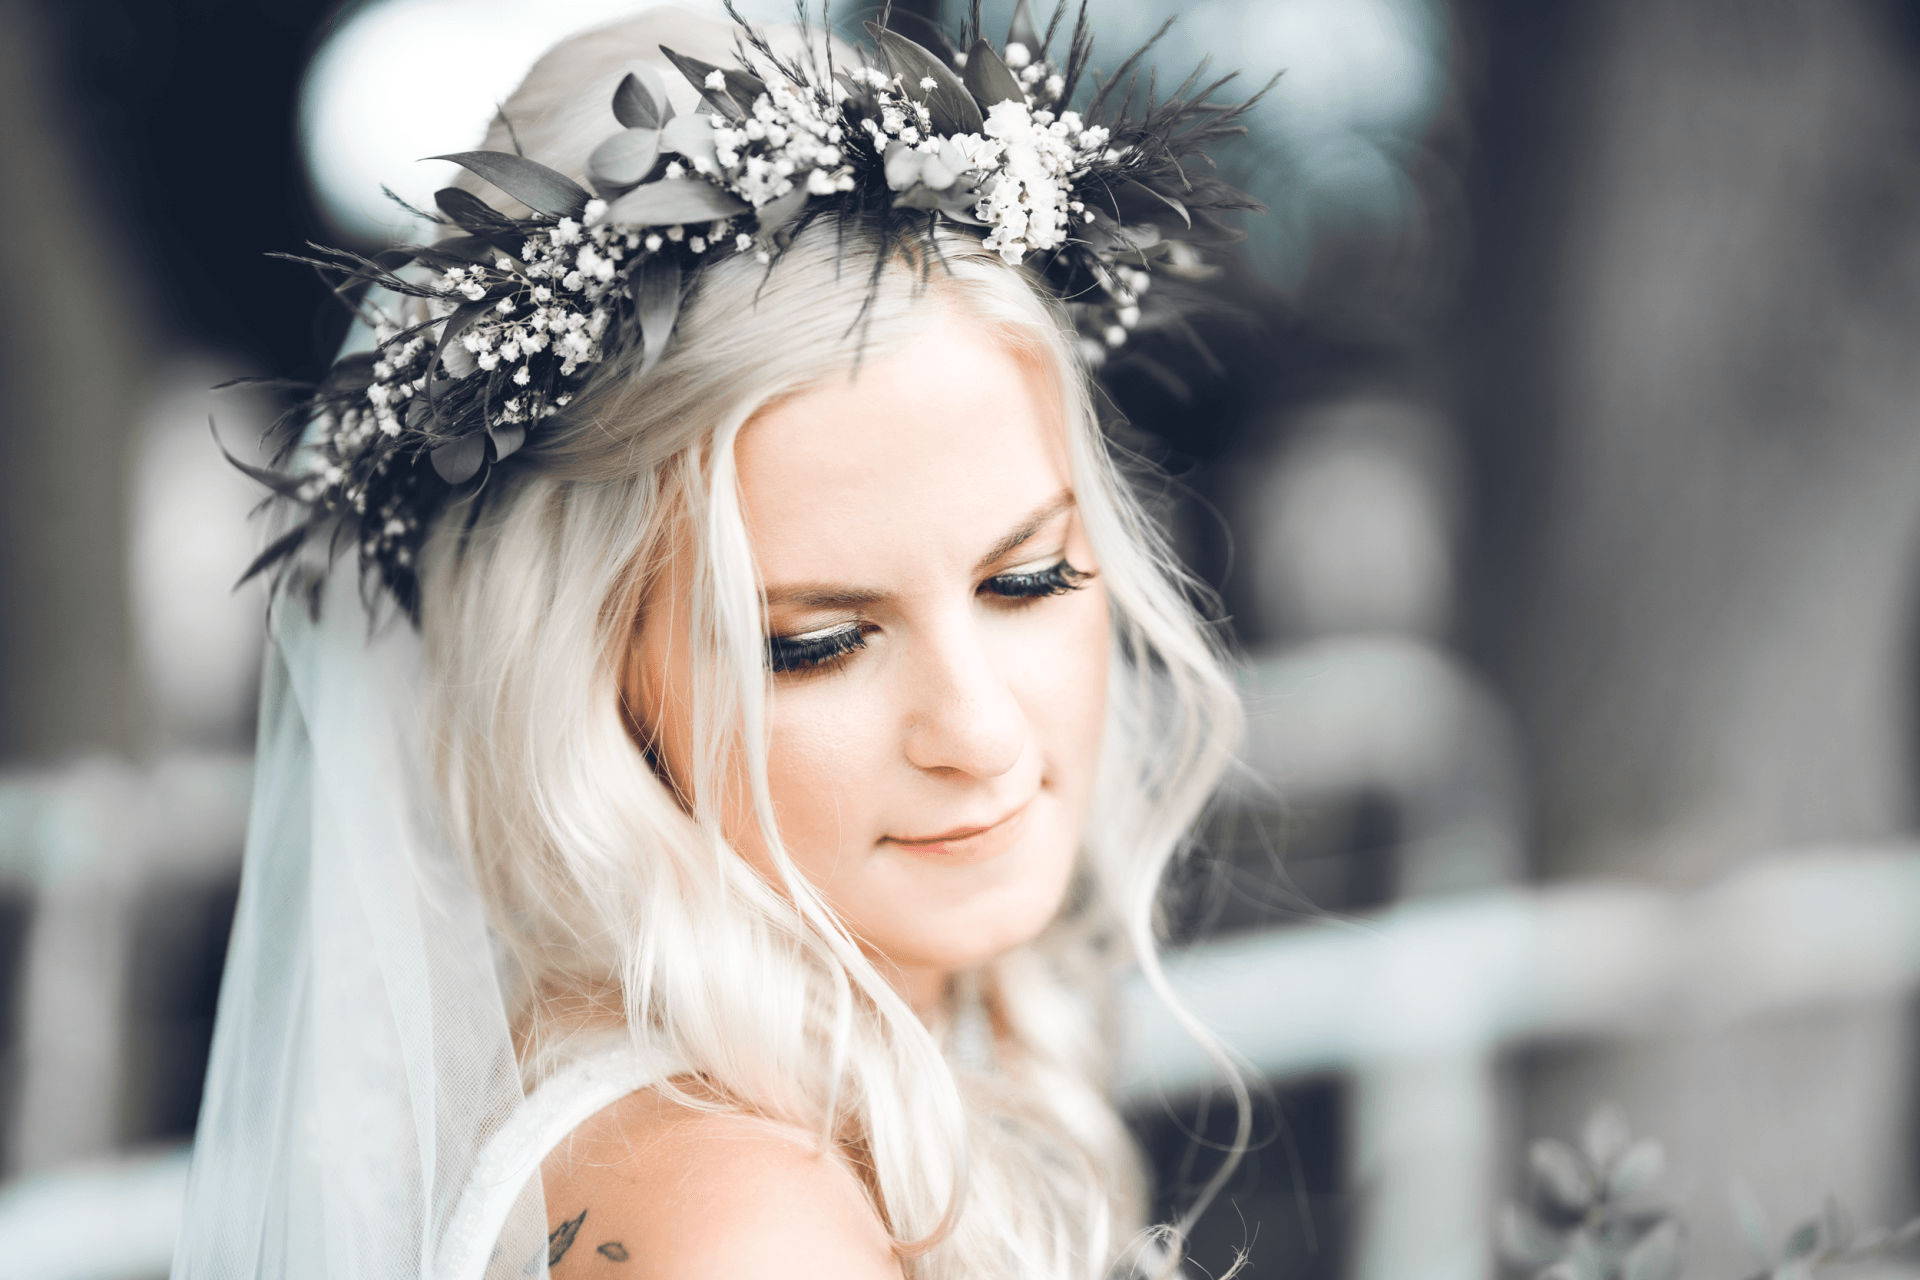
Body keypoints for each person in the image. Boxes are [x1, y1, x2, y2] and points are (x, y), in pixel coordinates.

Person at [175, 7, 1268, 1278]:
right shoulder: (736, 1222)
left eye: (1027, 578)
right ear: (597, 680)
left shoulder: (782, 1098)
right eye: (818, 644)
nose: (978, 729)